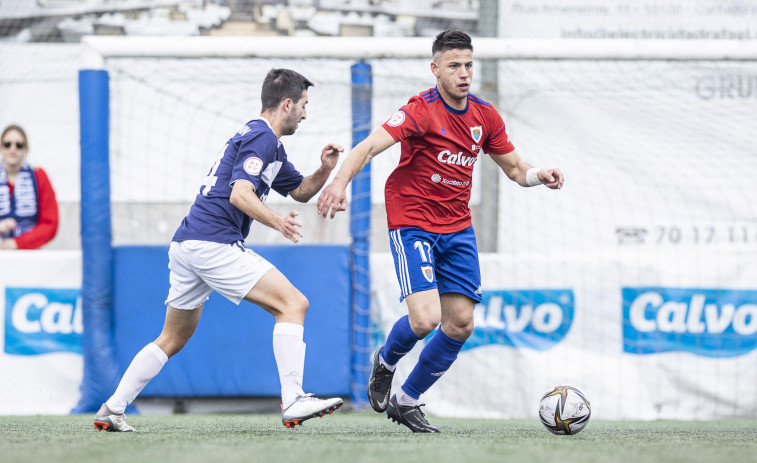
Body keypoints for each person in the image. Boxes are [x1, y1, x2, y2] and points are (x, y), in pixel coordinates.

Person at [317, 30, 564, 433]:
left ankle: (407, 399)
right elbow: (366, 148)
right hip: (412, 221)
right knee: (425, 319)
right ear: (436, 70)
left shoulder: (485, 115)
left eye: (468, 65)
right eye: (454, 66)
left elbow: (516, 169)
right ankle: (385, 362)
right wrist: (338, 183)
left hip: (457, 227)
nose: (464, 73)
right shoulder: (419, 110)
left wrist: (541, 175)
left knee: (461, 324)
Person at [94, 68, 345, 432]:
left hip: (187, 243)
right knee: (294, 304)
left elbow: (301, 191)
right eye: (304, 105)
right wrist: (279, 223)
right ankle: (293, 398)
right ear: (287, 104)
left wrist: (324, 170)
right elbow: (239, 194)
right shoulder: (262, 138)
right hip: (213, 242)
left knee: (173, 336)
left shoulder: (265, 142)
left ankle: (113, 408)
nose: (306, 114)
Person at [0, 124, 59, 249]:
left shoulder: (39, 177)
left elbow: (50, 223)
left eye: (19, 145)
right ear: (1, 147)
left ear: (26, 149)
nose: (13, 149)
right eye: (7, 144)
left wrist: (16, 244)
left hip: (29, 255)